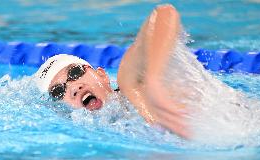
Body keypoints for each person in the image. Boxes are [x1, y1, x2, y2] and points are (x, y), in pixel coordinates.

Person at [34, 4, 189, 138]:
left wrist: (153, 80)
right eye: (58, 91)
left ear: (102, 75)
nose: (74, 87)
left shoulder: (131, 85)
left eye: (75, 72)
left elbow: (165, 12)